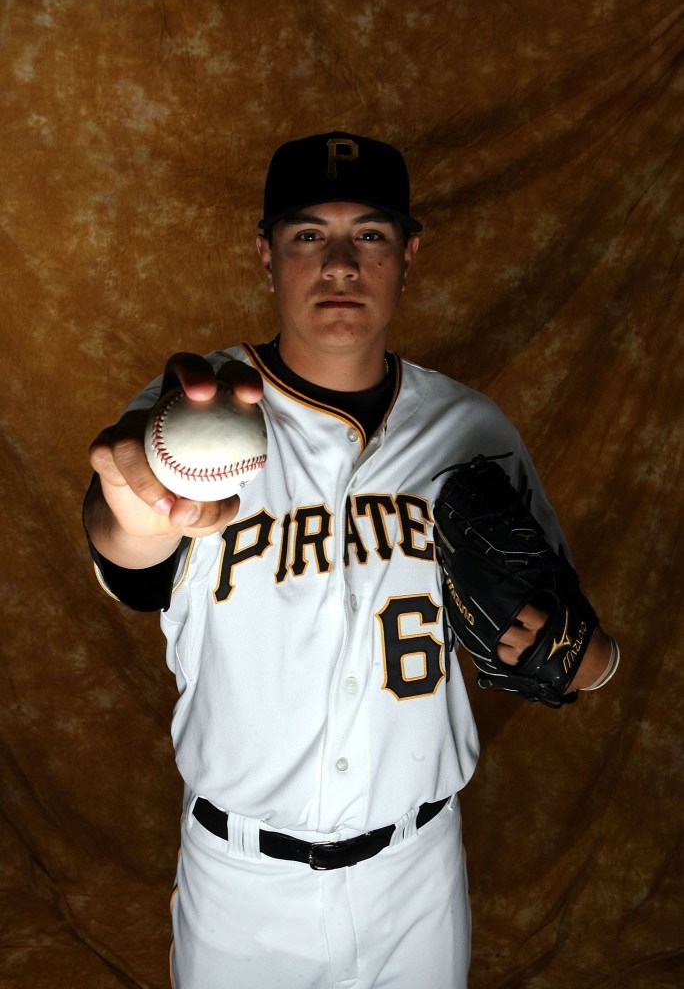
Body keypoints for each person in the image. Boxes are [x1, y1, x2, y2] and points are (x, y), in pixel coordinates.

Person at [84, 131, 617, 989]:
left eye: (369, 234)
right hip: (243, 886)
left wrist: (587, 658)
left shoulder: (474, 430)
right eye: (308, 234)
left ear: (408, 255)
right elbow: (130, 554)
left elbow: (574, 644)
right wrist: (138, 503)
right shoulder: (195, 416)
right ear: (267, 255)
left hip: (416, 875)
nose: (339, 263)